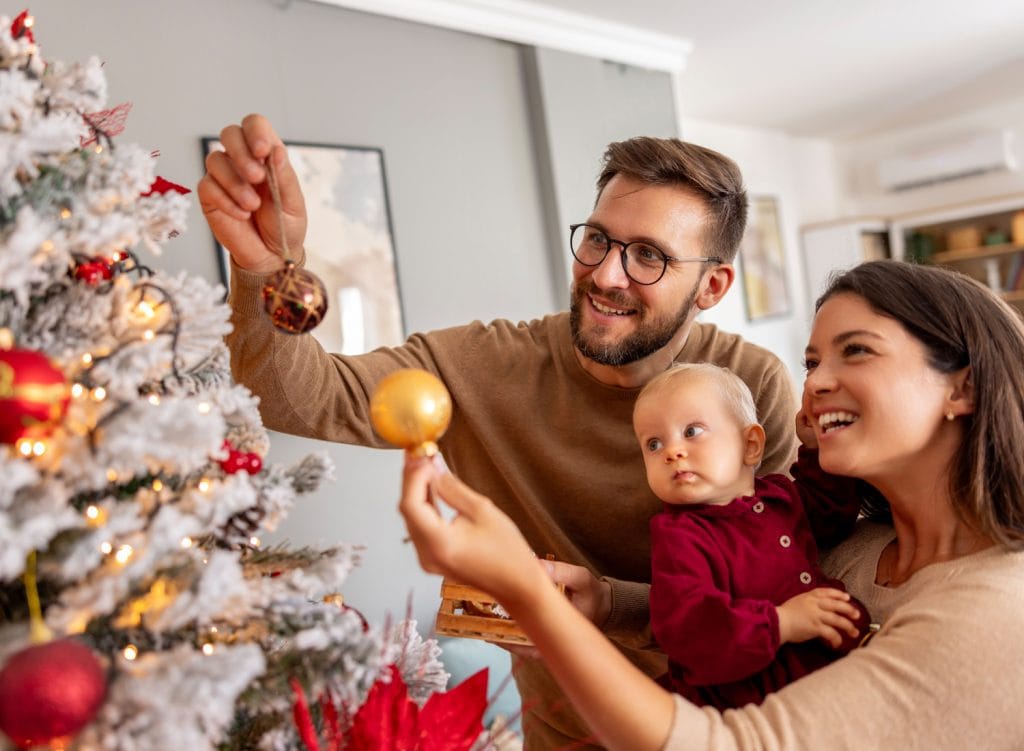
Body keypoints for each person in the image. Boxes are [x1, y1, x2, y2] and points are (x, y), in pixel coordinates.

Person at [198, 114, 799, 749]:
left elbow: (782, 581)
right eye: (597, 239)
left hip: (732, 729)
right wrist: (265, 264)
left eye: (648, 255)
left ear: (712, 285)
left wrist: (610, 603)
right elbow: (296, 398)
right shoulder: (482, 366)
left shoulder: (749, 384)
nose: (606, 275)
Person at [399, 259, 1024, 750]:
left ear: (963, 386)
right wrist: (607, 603)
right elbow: (742, 602)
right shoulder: (853, 546)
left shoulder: (995, 613)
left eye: (854, 350)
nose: (818, 380)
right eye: (812, 361)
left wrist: (530, 597)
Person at [635, 363, 869, 709]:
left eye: (692, 431)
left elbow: (830, 514)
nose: (672, 452)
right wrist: (782, 622)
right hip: (744, 698)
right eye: (653, 444)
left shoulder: (779, 497)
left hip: (825, 675)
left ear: (751, 445)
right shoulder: (680, 536)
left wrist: (815, 448)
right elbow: (690, 627)